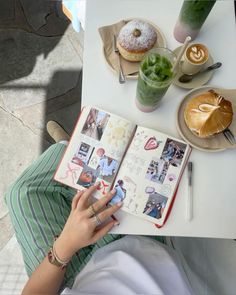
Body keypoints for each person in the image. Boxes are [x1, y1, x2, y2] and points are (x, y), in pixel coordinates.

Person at [5, 121, 195, 295]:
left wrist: (66, 245)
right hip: (140, 249)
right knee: (117, 184)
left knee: (21, 193)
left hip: (73, 279)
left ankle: (68, 148)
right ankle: (72, 152)